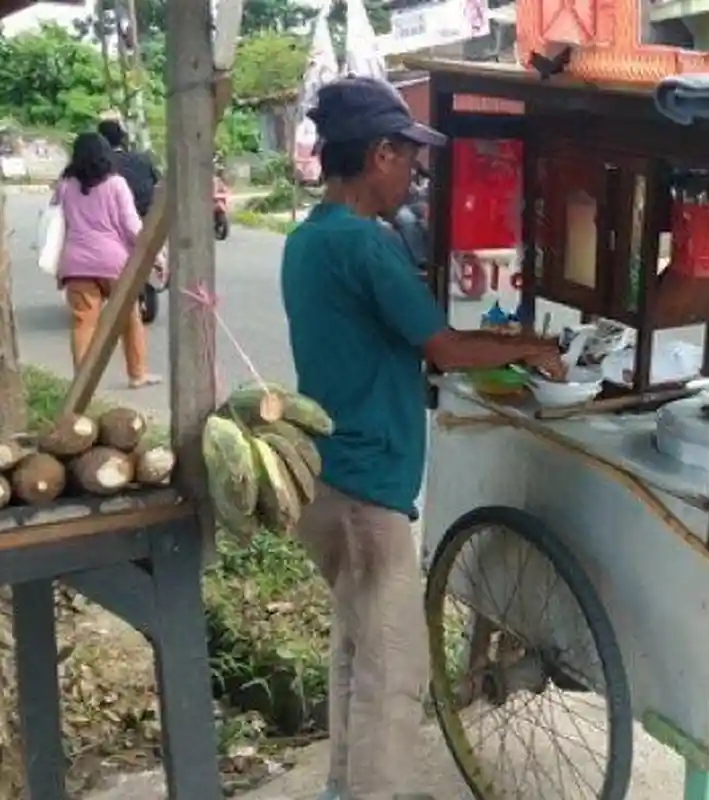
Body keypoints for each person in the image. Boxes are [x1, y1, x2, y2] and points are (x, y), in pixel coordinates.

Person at [280, 76, 564, 800]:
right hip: (368, 493)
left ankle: (343, 786)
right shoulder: (365, 247)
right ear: (378, 154)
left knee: (355, 650)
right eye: (407, 158)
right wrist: (527, 348)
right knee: (395, 673)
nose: (413, 172)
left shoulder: (306, 240)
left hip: (324, 478)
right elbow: (442, 348)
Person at [52, 132, 160, 388]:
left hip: (76, 264)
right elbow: (132, 226)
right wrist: (155, 255)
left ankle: (83, 382)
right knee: (129, 318)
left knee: (82, 323)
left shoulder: (65, 186)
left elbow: (57, 223)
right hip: (115, 264)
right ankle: (137, 374)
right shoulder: (116, 184)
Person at [96, 119, 159, 220]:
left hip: (115, 220)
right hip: (146, 216)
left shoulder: (98, 165)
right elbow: (156, 183)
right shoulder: (142, 159)